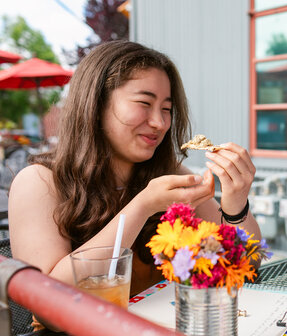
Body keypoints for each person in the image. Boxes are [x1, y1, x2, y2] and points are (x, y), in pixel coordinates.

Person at [9, 40, 262, 300]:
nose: (160, 122)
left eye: (167, 109)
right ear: (96, 106)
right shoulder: (39, 181)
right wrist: (143, 206)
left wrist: (236, 205)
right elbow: (46, 302)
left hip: (162, 335)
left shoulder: (169, 174)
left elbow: (247, 262)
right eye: (144, 103)